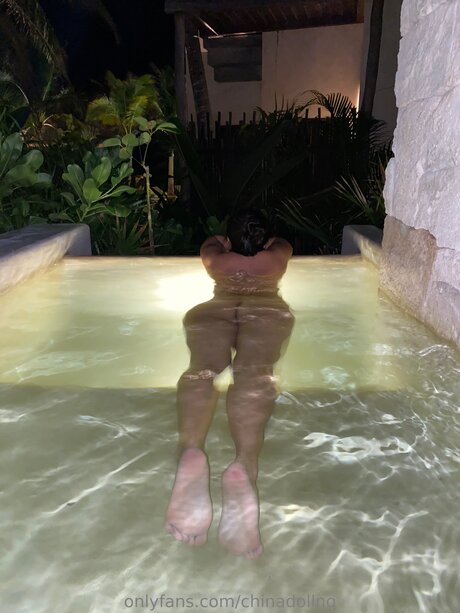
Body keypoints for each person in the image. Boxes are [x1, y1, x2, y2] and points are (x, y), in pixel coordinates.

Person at [165, 209, 294, 559]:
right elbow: (279, 244)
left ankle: (191, 448)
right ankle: (245, 466)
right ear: (265, 239)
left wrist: (221, 242)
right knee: (254, 371)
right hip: (265, 309)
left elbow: (211, 243)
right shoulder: (276, 256)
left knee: (202, 369)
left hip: (216, 309)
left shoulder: (215, 258)